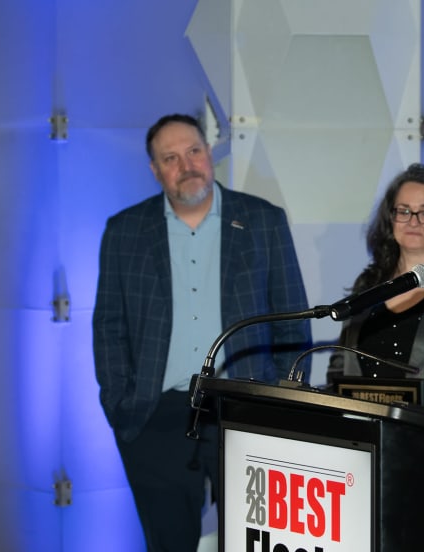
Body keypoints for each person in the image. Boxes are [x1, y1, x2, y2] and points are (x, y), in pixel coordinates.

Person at [92, 113, 312, 552]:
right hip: (156, 418)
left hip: (247, 409)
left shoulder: (263, 221)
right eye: (170, 158)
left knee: (259, 542)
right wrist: (121, 401)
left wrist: (283, 403)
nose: (186, 165)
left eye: (193, 151)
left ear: (209, 154)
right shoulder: (125, 231)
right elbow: (109, 326)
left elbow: (291, 320)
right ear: (155, 170)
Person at [327, 163, 424, 418]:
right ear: (391, 218)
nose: (413, 221)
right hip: (361, 432)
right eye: (404, 211)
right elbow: (340, 365)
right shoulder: (369, 282)